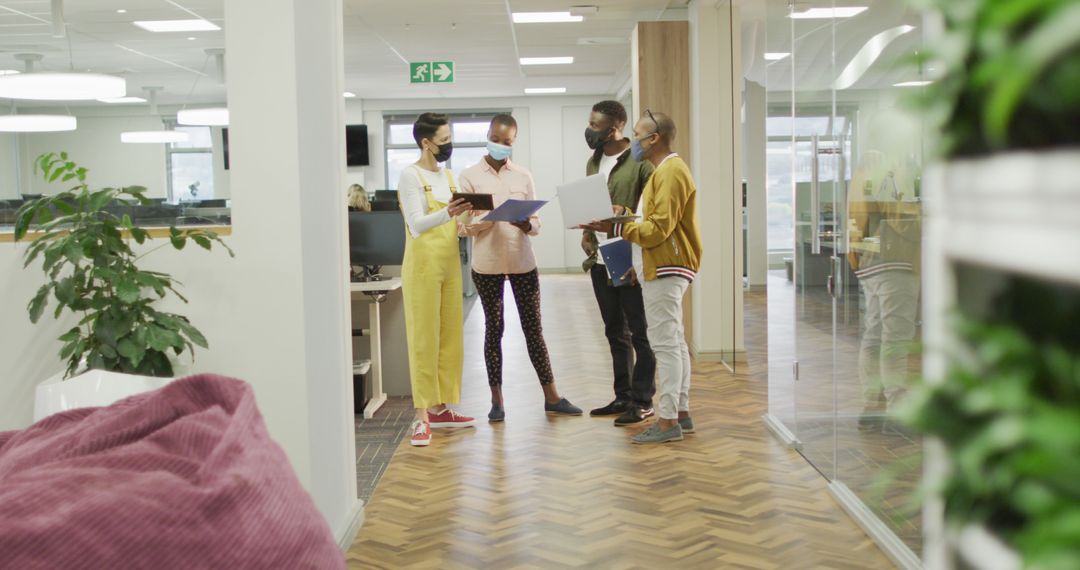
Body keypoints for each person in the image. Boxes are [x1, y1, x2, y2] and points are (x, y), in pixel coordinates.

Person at [581, 110, 702, 444]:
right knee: (674, 342)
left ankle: (666, 422)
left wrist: (616, 225)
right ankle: (681, 413)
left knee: (664, 344)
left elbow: (659, 228)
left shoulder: (671, 171)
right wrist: (626, 221)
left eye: (638, 135)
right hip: (659, 263)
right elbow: (656, 222)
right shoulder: (663, 172)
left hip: (667, 265)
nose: (634, 140)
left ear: (655, 138)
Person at [459, 114, 582, 421]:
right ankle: (497, 401)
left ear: (514, 142)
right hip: (486, 265)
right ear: (488, 136)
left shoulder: (523, 176)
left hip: (522, 262)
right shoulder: (469, 176)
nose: (501, 146)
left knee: (533, 329)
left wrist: (527, 223)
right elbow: (462, 228)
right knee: (494, 330)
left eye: (507, 142)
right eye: (496, 140)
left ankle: (552, 396)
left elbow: (537, 222)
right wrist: (484, 221)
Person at [397, 112, 477, 447]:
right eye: (443, 141)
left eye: (449, 139)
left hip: (448, 265)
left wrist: (463, 222)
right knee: (424, 339)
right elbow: (416, 223)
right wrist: (450, 212)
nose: (448, 146)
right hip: (422, 267)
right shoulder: (410, 176)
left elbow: (450, 220)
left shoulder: (448, 175)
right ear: (425, 142)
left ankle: (442, 408)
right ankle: (421, 416)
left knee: (448, 338)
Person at [581, 100, 657, 428]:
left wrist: (623, 213)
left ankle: (643, 401)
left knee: (639, 332)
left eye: (595, 125)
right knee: (614, 331)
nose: (589, 130)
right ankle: (623, 395)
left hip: (627, 253)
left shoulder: (640, 163)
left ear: (616, 127)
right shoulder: (593, 160)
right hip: (599, 254)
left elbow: (650, 212)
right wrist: (585, 232)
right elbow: (590, 202)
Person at [847, 150, 921, 430]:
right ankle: (897, 407)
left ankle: (872, 404)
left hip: (869, 260)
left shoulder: (863, 170)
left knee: (875, 333)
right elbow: (902, 217)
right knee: (896, 337)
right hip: (896, 260)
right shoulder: (890, 170)